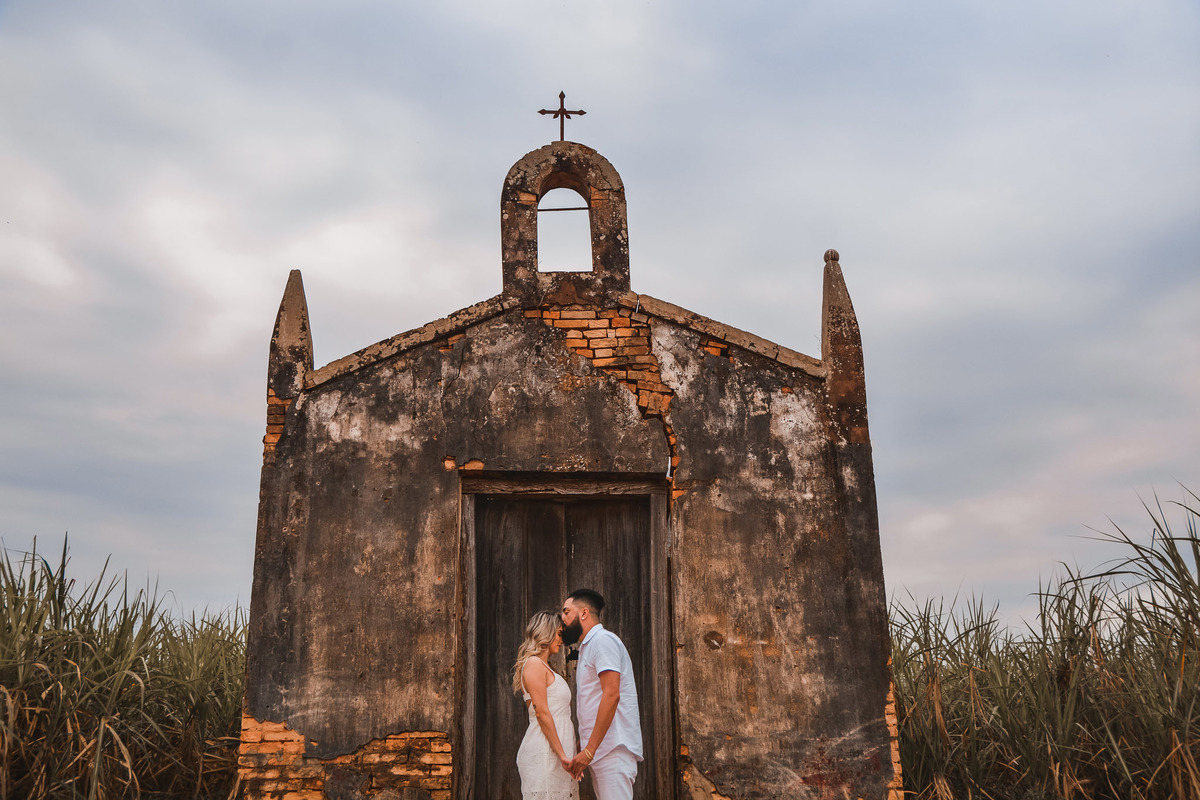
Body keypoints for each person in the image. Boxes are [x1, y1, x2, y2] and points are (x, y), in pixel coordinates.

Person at [560, 589, 642, 800]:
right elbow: (594, 700)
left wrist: (589, 750)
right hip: (601, 750)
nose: (563, 619)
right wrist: (583, 745)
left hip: (612, 749)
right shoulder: (589, 646)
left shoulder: (602, 641)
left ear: (584, 613)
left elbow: (611, 695)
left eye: (567, 612)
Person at [513, 609, 579, 799]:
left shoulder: (546, 667)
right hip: (546, 753)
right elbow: (541, 712)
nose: (562, 639)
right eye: (559, 634)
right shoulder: (533, 664)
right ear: (546, 633)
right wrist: (562, 755)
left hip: (557, 753)